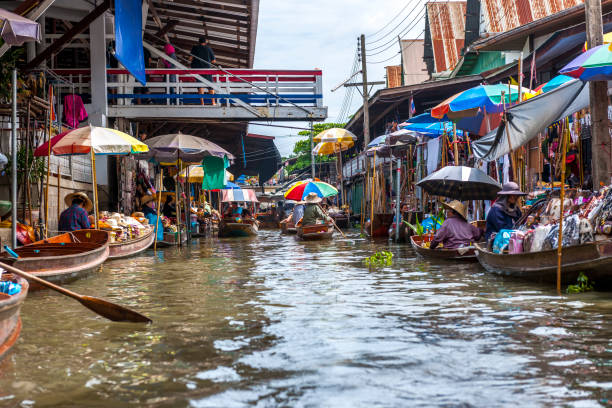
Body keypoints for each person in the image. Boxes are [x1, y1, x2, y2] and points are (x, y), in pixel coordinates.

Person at [189, 36, 217, 105]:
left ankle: (202, 102)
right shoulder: (209, 48)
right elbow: (213, 61)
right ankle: (213, 102)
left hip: (197, 69)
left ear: (199, 42)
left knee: (200, 85)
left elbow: (190, 59)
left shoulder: (195, 48)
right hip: (207, 69)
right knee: (210, 85)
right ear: (205, 42)